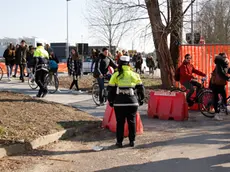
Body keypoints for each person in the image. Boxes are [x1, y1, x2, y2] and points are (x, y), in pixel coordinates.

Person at [107, 56, 145, 148]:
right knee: (132, 121)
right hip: (132, 102)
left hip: (119, 102)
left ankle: (119, 142)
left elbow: (110, 90)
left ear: (119, 63)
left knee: (120, 123)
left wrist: (111, 101)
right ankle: (132, 141)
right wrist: (141, 100)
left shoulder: (115, 75)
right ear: (129, 64)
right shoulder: (134, 75)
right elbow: (141, 89)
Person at [210, 54, 230, 120]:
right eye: (224, 57)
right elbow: (220, 73)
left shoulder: (224, 64)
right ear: (221, 58)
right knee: (216, 99)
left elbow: (228, 70)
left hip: (221, 84)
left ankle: (225, 109)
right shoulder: (219, 64)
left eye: (226, 57)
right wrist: (227, 78)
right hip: (215, 84)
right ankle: (216, 114)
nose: (226, 58)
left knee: (224, 96)